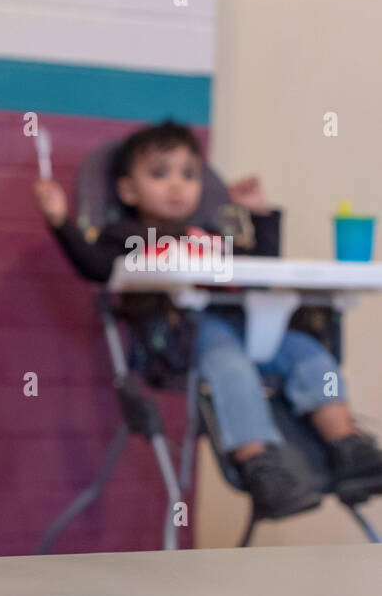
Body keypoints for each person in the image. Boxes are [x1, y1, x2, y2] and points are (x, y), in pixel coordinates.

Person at [34, 120, 382, 518]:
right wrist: (60, 221)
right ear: (128, 189)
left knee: (308, 353)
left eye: (189, 174)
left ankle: (348, 445)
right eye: (160, 173)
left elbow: (259, 269)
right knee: (230, 364)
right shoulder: (126, 235)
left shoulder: (210, 234)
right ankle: (258, 462)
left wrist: (258, 215)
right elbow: (96, 268)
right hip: (180, 337)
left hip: (250, 329)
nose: (177, 185)